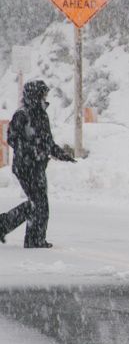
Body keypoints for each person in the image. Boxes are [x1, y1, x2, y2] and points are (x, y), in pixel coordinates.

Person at [0, 80, 76, 248]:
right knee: (38, 203)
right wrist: (31, 149)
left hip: (38, 165)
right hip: (25, 166)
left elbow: (48, 142)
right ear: (34, 95)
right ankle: (28, 236)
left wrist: (61, 154)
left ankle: (26, 234)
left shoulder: (42, 115)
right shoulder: (22, 114)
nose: (45, 97)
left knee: (37, 203)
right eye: (43, 94)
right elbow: (12, 139)